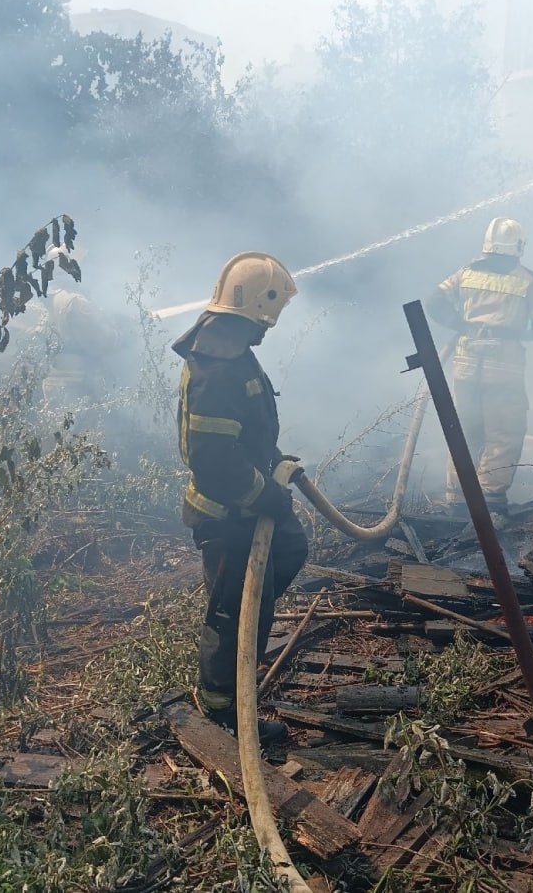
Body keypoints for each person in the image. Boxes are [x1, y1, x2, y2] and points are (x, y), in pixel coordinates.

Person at [171, 252, 306, 742]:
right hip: (228, 514)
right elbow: (212, 460)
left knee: (292, 549)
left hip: (247, 504)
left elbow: (241, 432)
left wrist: (269, 459)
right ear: (255, 308)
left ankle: (242, 664)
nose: (271, 327)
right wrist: (261, 493)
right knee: (233, 612)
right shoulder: (218, 367)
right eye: (270, 316)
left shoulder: (231, 348)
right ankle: (223, 715)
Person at [425, 217, 533, 515]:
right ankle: (489, 500)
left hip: (466, 365)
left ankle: (457, 498)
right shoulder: (526, 280)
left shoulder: (466, 274)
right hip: (504, 370)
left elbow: (433, 302)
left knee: (466, 430)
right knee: (503, 433)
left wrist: (461, 324)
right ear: (519, 246)